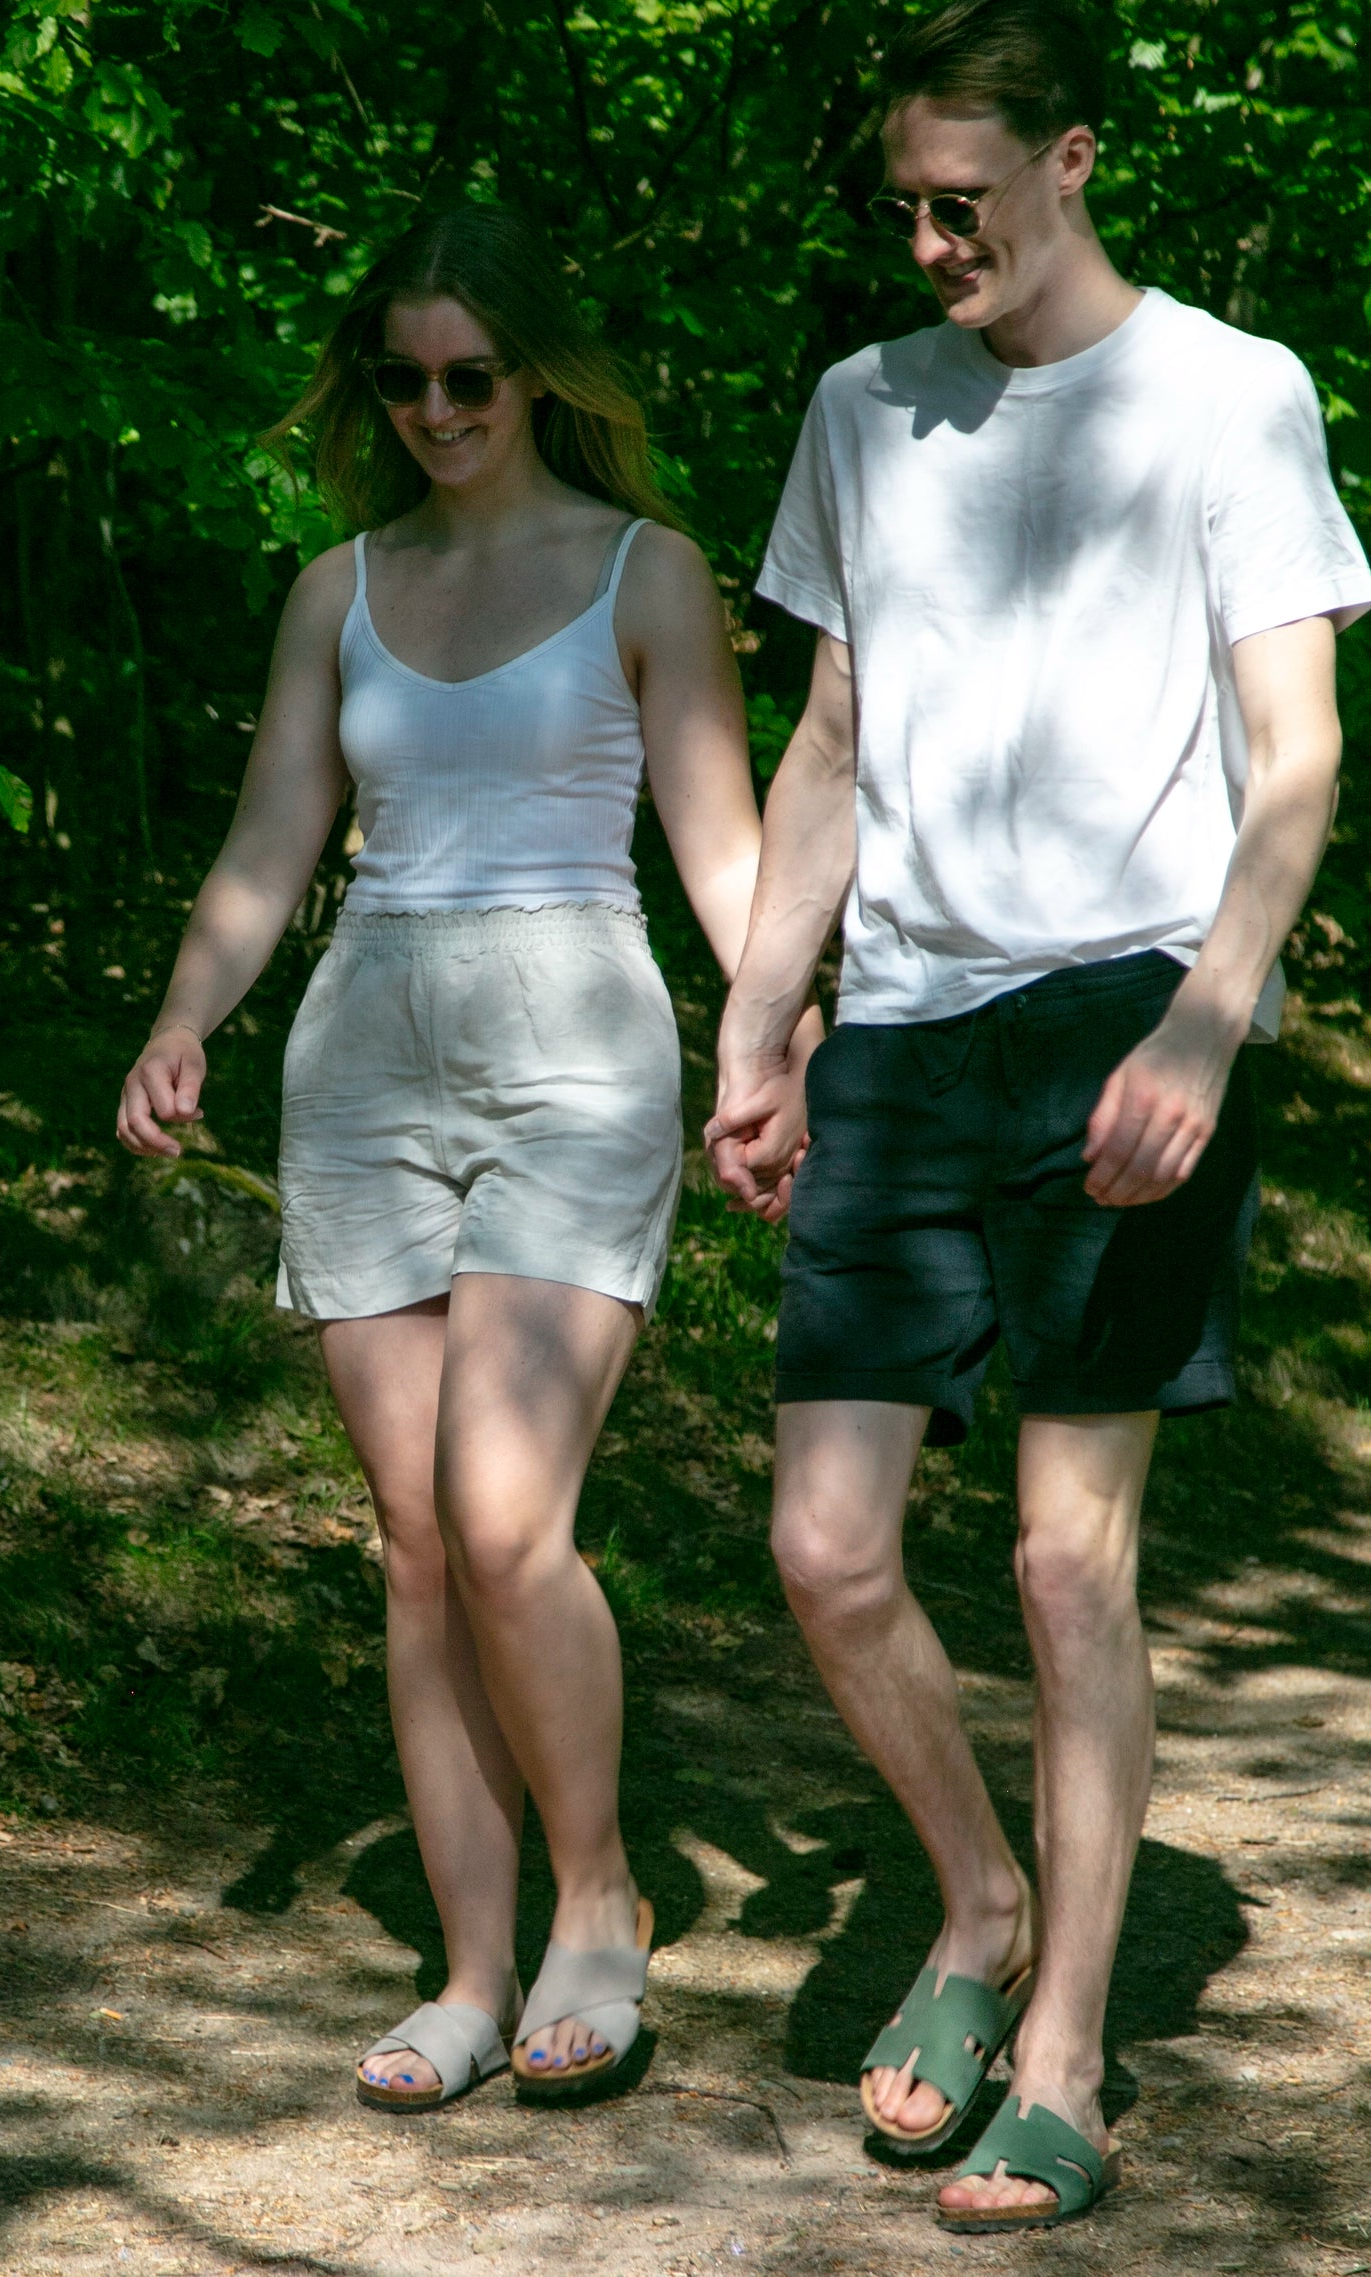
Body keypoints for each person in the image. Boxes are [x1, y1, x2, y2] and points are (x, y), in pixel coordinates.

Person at [709, 0, 1369, 2234]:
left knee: (1065, 1558)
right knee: (825, 1545)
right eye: (903, 203)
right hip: (896, 1032)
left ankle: (1069, 2044)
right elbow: (824, 739)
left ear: (1072, 158)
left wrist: (1208, 1015)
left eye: (963, 201)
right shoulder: (860, 408)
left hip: (1118, 1014)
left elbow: (1293, 753)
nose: (928, 242)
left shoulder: (1226, 391)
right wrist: (758, 1015)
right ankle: (974, 1902)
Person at [119, 204, 808, 2108]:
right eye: (401, 378)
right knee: (419, 1544)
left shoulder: (645, 573)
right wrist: (187, 1016)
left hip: (577, 1047)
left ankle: (602, 1904)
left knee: (507, 1516)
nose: (435, 409)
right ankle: (472, 1966)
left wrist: (777, 1031)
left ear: (535, 375)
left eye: (469, 376)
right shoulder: (334, 587)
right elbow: (269, 844)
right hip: (360, 1054)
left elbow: (727, 850)